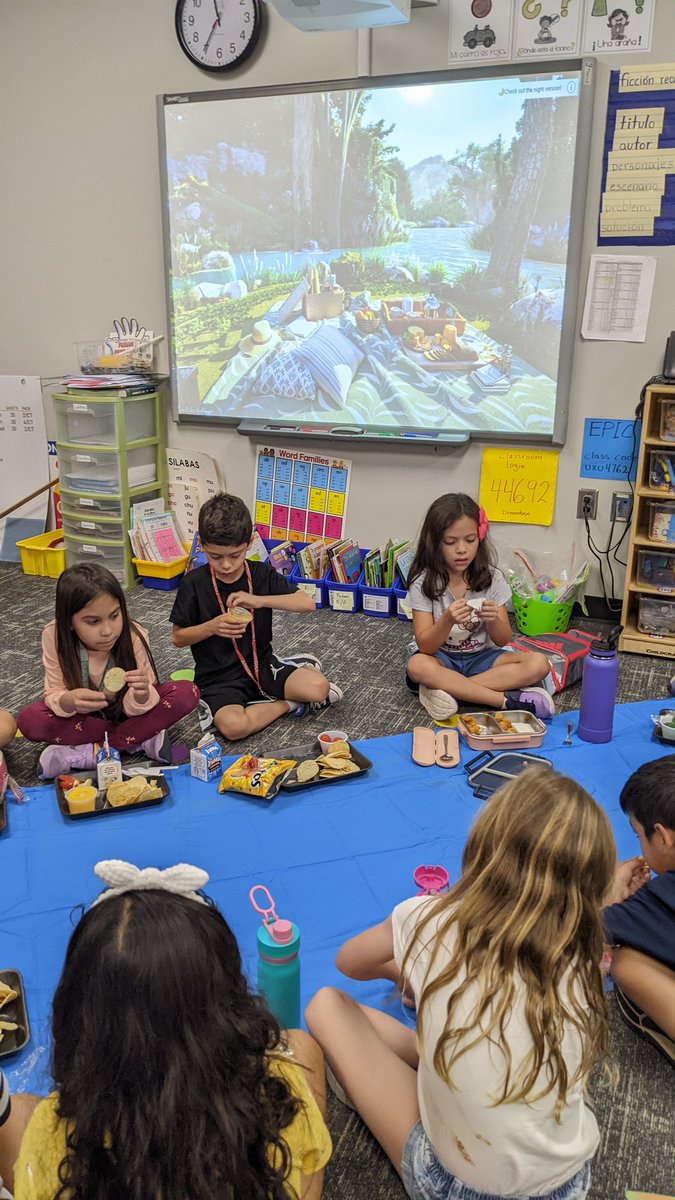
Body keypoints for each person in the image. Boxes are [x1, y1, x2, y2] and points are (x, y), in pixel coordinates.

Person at [307, 768, 615, 1200]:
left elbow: (349, 962)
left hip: (455, 1187)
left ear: (482, 848)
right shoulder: (585, 955)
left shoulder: (429, 918)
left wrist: (412, 972)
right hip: (568, 1186)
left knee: (326, 1005)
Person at [0, 860, 331, 1200]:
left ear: (78, 1018)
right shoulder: (281, 1093)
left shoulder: (51, 1140)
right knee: (301, 1046)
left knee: (23, 1107)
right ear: (228, 1003)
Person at [170, 493, 342, 740]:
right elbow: (178, 638)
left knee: (319, 688)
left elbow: (307, 603)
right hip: (218, 678)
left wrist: (258, 600)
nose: (226, 565)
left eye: (235, 555)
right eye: (216, 557)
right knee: (233, 728)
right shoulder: (193, 583)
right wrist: (213, 626)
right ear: (202, 546)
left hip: (260, 664)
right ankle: (290, 704)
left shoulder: (259, 573)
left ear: (249, 543)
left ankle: (286, 678)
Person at [17, 563, 199, 777]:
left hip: (128, 713)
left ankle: (88, 752)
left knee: (188, 692)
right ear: (69, 622)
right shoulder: (54, 635)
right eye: (93, 621)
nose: (108, 631)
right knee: (29, 720)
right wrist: (68, 700)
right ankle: (138, 741)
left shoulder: (134, 634)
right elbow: (54, 691)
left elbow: (147, 693)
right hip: (83, 718)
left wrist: (141, 694)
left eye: (115, 615)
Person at [405, 493, 554, 721]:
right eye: (450, 542)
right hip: (441, 658)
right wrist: (446, 621)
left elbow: (504, 640)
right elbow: (425, 645)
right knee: (417, 666)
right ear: (434, 542)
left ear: (480, 538)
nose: (461, 549)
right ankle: (502, 700)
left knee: (539, 663)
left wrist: (494, 619)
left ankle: (449, 691)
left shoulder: (492, 578)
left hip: (482, 658)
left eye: (470, 540)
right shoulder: (423, 582)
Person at [603, 757, 675, 1066]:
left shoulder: (653, 904)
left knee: (625, 963)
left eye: (637, 834)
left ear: (663, 836)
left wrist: (612, 898)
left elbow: (577, 935)